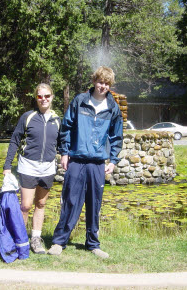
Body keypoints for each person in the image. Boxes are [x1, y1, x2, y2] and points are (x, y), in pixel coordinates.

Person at [47, 66, 123, 259]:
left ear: (110, 85)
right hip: (77, 160)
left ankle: (93, 244)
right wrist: (64, 153)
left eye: (106, 83)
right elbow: (66, 126)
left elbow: (116, 136)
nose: (102, 86)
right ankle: (58, 242)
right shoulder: (80, 101)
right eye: (100, 82)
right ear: (94, 81)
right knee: (71, 201)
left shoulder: (113, 107)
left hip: (97, 163)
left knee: (94, 204)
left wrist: (112, 160)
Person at [3, 83, 60, 254]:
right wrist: (7, 166)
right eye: (40, 96)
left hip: (48, 168)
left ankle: (36, 239)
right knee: (25, 206)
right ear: (36, 98)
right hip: (28, 166)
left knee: (41, 203)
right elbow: (15, 140)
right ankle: (20, 240)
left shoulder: (57, 120)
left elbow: (63, 144)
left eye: (47, 96)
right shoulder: (28, 117)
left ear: (52, 97)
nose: (44, 99)